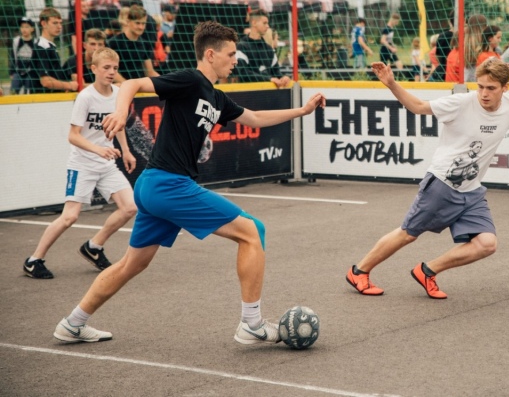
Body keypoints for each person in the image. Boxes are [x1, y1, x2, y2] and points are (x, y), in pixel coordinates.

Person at [52, 21, 327, 344]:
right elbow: (131, 86)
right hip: (167, 184)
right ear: (210, 54)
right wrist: (122, 113)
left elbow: (254, 118)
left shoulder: (217, 97)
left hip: (156, 185)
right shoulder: (190, 80)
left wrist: (303, 110)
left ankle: (72, 323)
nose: (235, 60)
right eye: (230, 54)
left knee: (131, 263)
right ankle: (251, 324)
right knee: (253, 232)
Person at [345, 59, 509, 299]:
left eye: (491, 88)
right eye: (480, 86)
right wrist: (391, 84)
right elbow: (419, 106)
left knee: (487, 244)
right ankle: (359, 271)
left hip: (471, 190)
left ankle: (427, 271)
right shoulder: (461, 103)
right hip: (443, 183)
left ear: (505, 88)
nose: (484, 93)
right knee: (408, 234)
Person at [24, 48, 137, 280]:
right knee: (69, 217)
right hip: (82, 164)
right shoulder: (86, 97)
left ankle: (93, 247)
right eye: (106, 68)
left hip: (106, 163)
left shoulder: (118, 93)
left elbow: (119, 125)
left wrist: (125, 151)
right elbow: (73, 136)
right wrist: (99, 149)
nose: (111, 72)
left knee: (130, 207)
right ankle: (34, 260)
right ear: (93, 69)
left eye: (115, 68)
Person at [235, 9, 291, 88]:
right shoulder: (242, 46)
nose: (268, 26)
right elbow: (243, 72)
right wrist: (268, 79)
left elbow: (276, 72)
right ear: (254, 23)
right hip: (248, 94)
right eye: (264, 23)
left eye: (267, 23)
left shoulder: (268, 49)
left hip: (267, 94)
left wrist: (283, 77)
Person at [30, 8, 78, 93]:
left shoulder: (51, 45)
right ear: (44, 24)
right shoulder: (42, 47)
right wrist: (69, 85)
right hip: (43, 100)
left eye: (60, 23)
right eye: (55, 23)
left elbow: (54, 74)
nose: (59, 26)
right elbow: (45, 81)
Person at [107, 5, 159, 82]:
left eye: (143, 23)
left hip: (139, 89)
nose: (141, 27)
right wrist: (127, 85)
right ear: (128, 22)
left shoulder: (145, 44)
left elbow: (149, 72)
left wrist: (166, 82)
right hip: (119, 88)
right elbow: (109, 70)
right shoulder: (113, 43)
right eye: (137, 23)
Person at [9, 17, 37, 94]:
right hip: (18, 71)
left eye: (27, 27)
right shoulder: (16, 41)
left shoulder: (35, 42)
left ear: (32, 29)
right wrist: (11, 72)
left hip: (30, 72)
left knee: (28, 93)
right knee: (13, 92)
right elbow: (12, 57)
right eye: (22, 27)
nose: (24, 29)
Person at [429, 13, 456, 82]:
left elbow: (438, 56)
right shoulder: (465, 37)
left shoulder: (442, 36)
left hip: (442, 72)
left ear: (449, 21)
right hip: (453, 74)